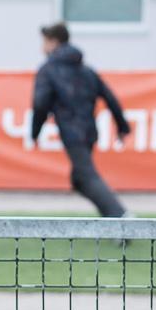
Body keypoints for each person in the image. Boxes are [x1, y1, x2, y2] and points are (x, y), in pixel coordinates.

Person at [31, 21, 132, 219]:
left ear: (54, 42)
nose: (42, 47)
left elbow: (40, 104)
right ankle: (112, 219)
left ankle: (120, 216)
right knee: (79, 179)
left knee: (86, 175)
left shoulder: (48, 70)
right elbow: (110, 98)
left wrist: (34, 132)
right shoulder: (86, 70)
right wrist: (122, 127)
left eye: (44, 41)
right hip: (89, 132)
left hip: (71, 133)